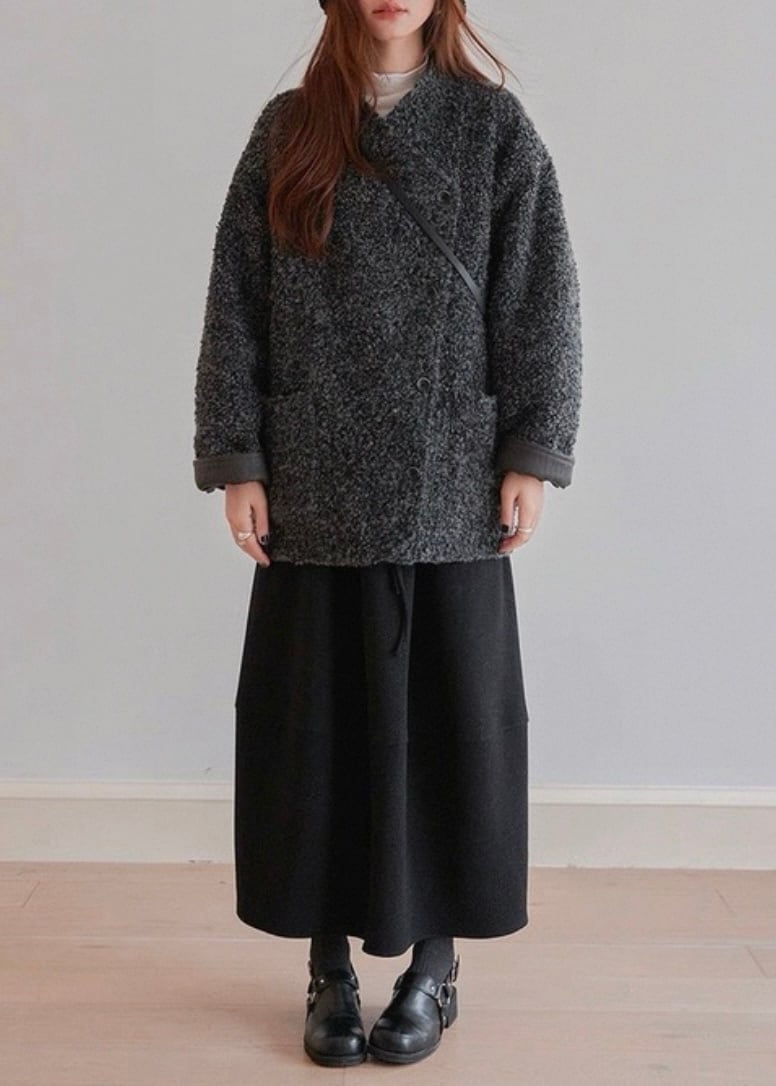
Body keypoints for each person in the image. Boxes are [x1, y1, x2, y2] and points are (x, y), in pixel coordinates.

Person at [192, 0, 582, 1069]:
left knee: (449, 728)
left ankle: (431, 967)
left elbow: (541, 296)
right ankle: (327, 967)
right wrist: (236, 457)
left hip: (447, 478)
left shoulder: (492, 128)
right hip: (314, 477)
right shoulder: (288, 129)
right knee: (316, 734)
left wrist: (531, 450)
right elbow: (235, 300)